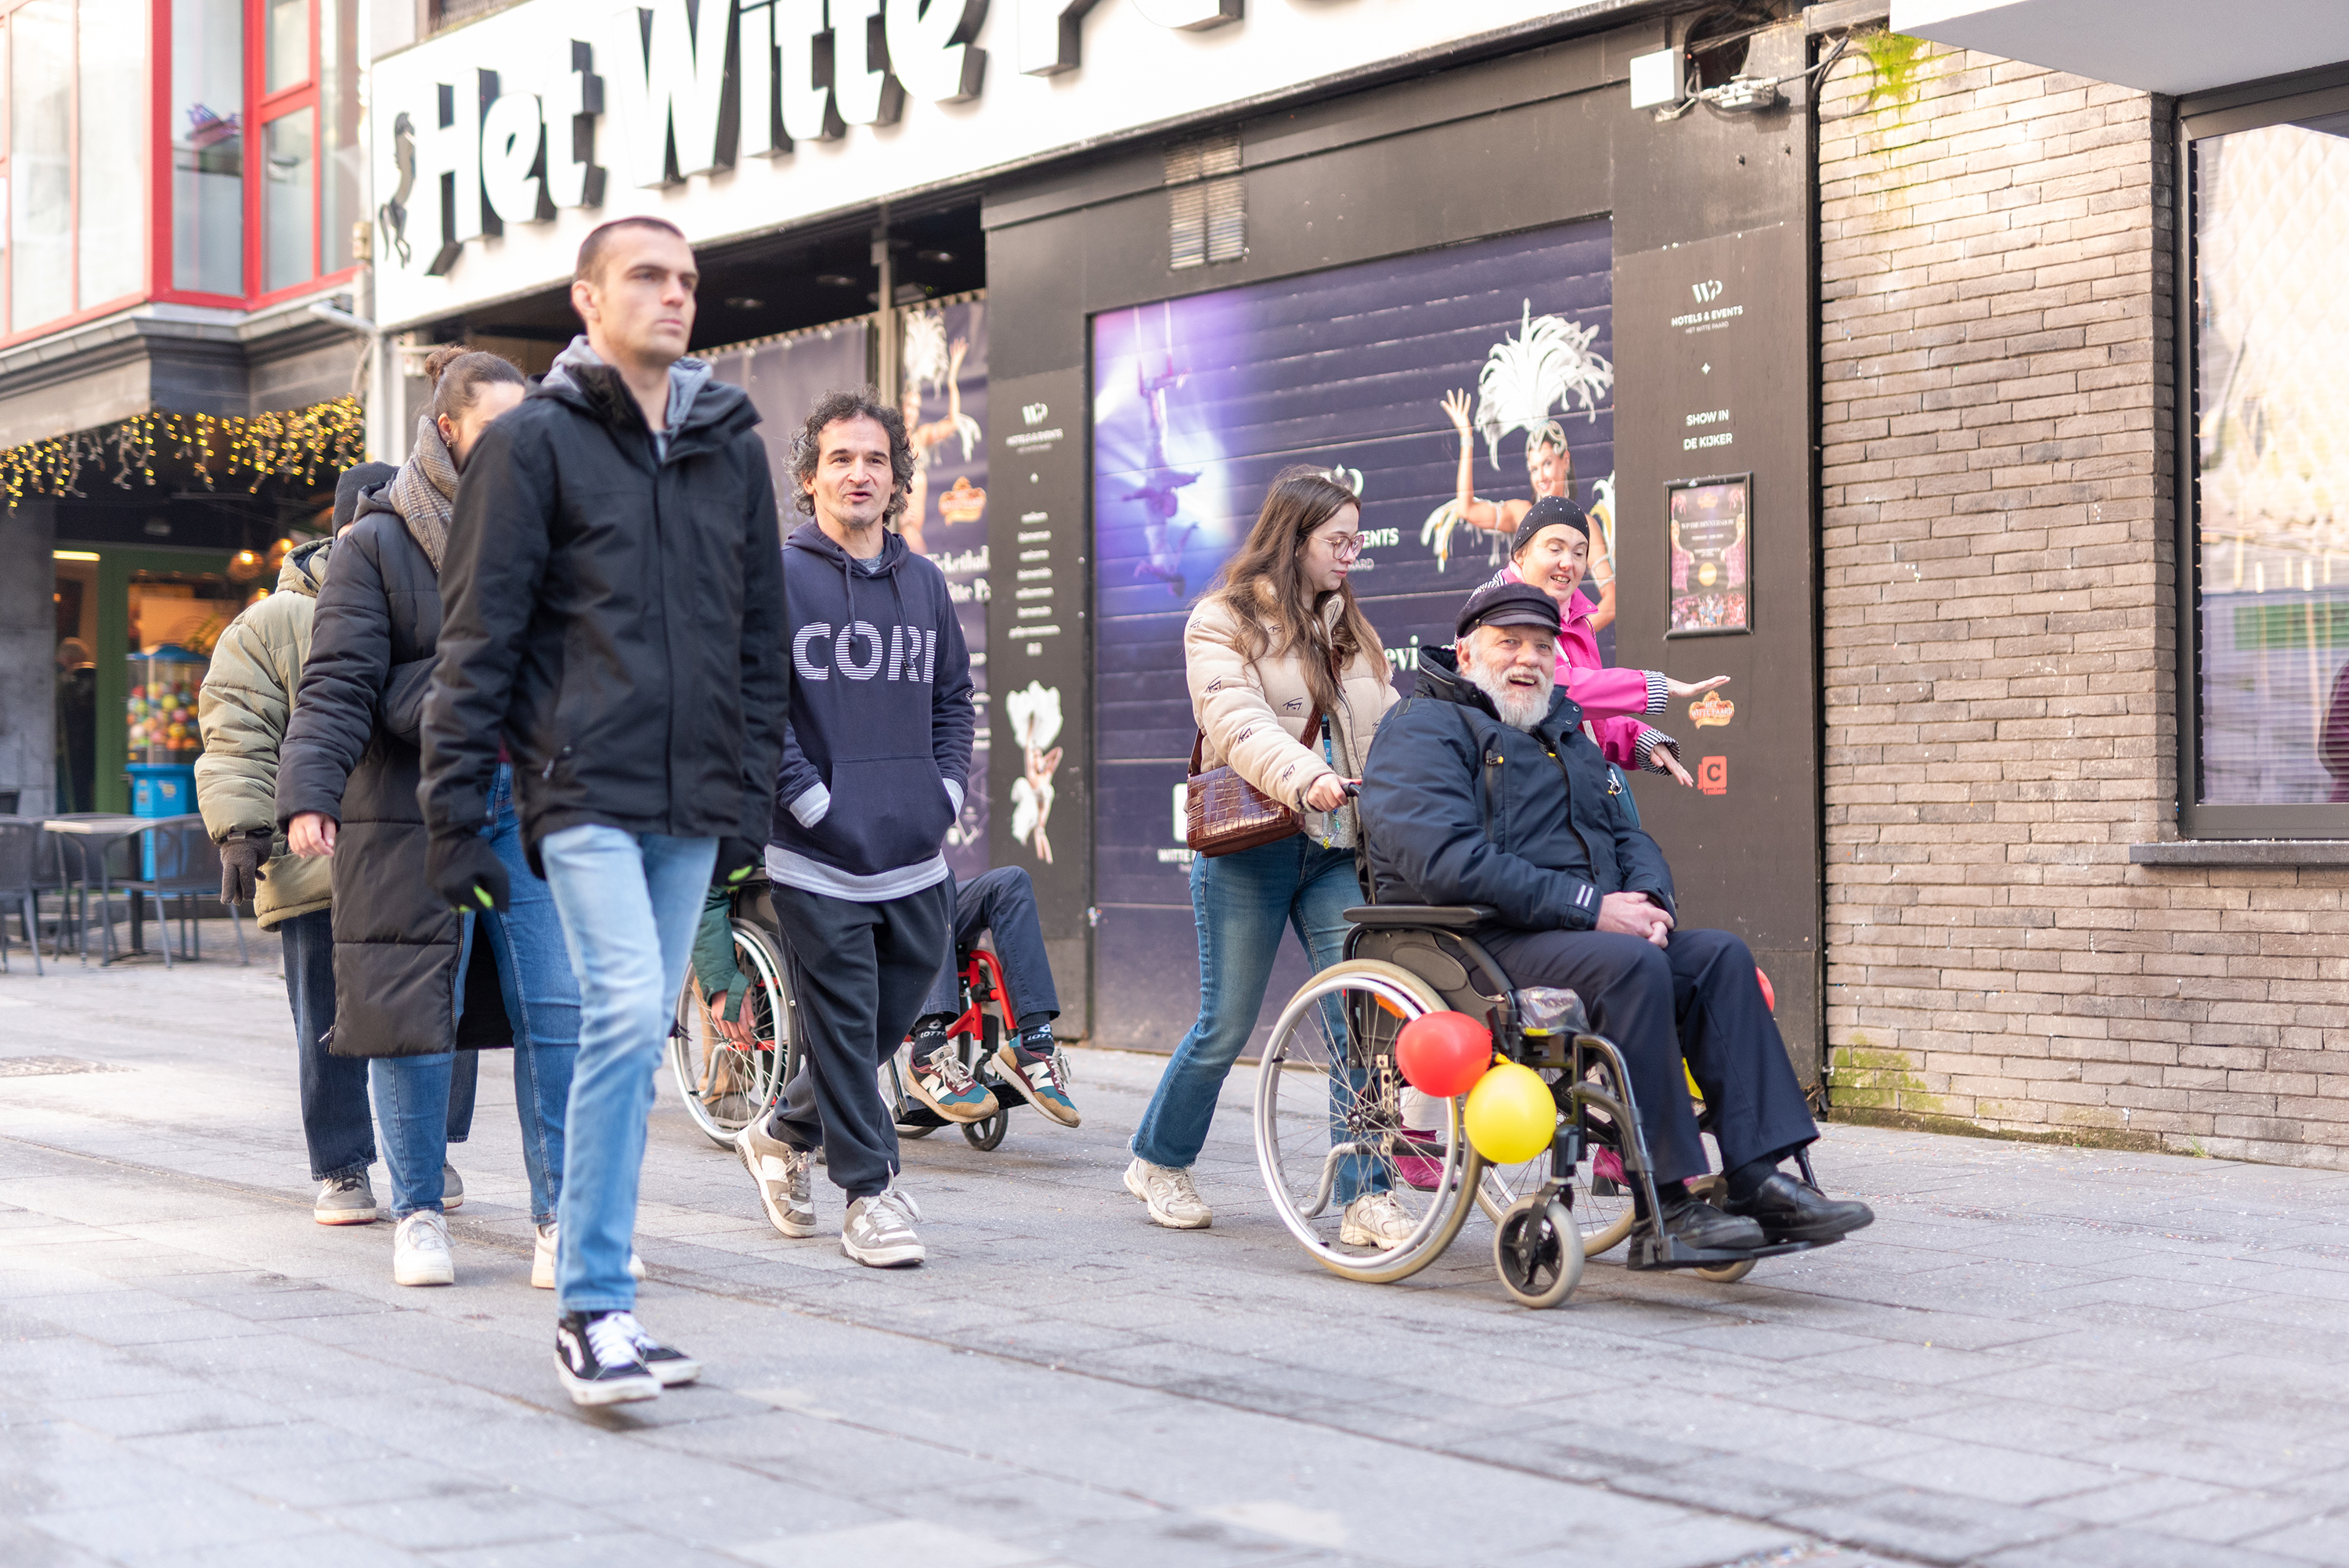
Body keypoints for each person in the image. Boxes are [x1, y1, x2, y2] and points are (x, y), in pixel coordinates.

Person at [420, 217, 787, 1407]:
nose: (674, 295)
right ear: (586, 297)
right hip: (579, 783)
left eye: (688, 279)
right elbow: (479, 634)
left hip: (694, 794)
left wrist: (747, 802)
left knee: (639, 1032)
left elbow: (759, 639)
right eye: (647, 276)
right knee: (626, 1011)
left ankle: (605, 1302)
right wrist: (452, 814)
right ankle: (590, 1305)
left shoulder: (730, 445)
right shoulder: (531, 444)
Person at [1356, 581, 1875, 1254]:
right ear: (1465, 653)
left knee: (1718, 956)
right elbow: (1444, 861)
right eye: (1509, 643)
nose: (1528, 659)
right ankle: (1668, 1205)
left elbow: (1625, 835)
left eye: (1542, 647)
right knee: (1630, 966)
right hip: (1476, 937)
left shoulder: (1562, 729)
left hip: (1575, 932)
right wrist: (1592, 908)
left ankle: (1757, 1177)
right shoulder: (1421, 728)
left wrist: (1650, 901)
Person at [279, 348, 579, 1295]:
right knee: (413, 1009)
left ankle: (564, 1217)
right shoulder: (377, 543)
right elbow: (339, 682)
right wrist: (309, 790)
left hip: (533, 806)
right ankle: (417, 1210)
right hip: (412, 807)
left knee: (561, 1007)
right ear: (448, 430)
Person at [1124, 468, 1407, 1243]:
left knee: (1363, 1016)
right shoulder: (1222, 620)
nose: (1351, 553)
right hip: (1253, 846)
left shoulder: (1354, 630)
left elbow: (1389, 729)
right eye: (1338, 539)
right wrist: (1306, 776)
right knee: (1226, 1023)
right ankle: (1158, 1160)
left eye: (1357, 540)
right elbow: (1237, 720)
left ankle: (1366, 1194)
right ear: (1295, 537)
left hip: (1336, 850)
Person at [727, 390, 973, 1271]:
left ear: (897, 478)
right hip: (816, 854)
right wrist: (811, 804)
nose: (859, 474)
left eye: (876, 459)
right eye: (840, 459)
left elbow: (953, 699)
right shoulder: (775, 578)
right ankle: (869, 1193)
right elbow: (755, 708)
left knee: (877, 1024)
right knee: (842, 1016)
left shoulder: (926, 583)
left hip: (913, 850)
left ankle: (782, 1131)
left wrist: (946, 791)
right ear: (809, 476)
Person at [197, 468, 401, 1225]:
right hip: (313, 858)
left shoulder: (422, 599)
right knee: (326, 1018)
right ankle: (343, 1166)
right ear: (342, 531)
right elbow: (237, 728)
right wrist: (242, 828)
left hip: (408, 850)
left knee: (433, 1007)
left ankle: (423, 1149)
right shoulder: (273, 622)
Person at [1487, 496, 1723, 791]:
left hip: (1572, 791)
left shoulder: (1576, 618)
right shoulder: (1497, 608)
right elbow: (1554, 691)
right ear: (1520, 554)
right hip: (1519, 793)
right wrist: (1649, 686)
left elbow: (1578, 719)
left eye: (1579, 553)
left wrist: (1639, 739)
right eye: (1555, 548)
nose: (1567, 563)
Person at [903, 866, 1079, 1127]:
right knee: (929, 877)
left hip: (928, 898)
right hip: (869, 903)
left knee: (1010, 882)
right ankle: (928, 1052)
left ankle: (1034, 1043)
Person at [1438, 398, 1617, 633]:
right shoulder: (1523, 513)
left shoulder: (1585, 527)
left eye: (1547, 463)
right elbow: (1467, 509)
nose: (1540, 477)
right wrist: (1466, 438)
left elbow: (1612, 602)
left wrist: (1566, 638)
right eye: (1534, 469)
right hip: (1519, 632)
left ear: (1565, 460)